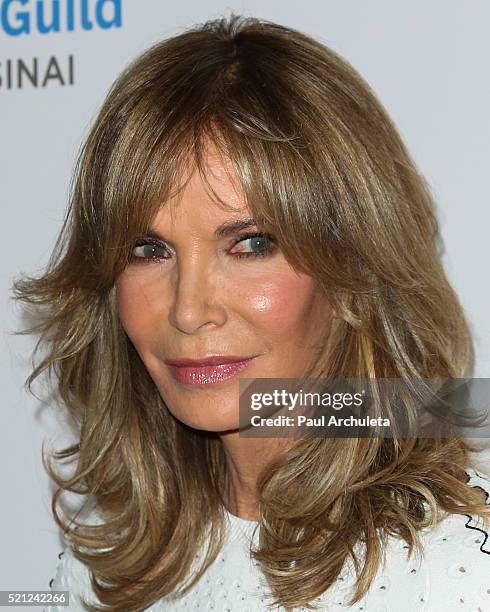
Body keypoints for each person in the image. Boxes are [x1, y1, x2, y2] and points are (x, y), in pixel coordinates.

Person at [12, 13, 490, 612]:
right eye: (148, 250)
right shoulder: (103, 567)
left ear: (355, 267)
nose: (189, 311)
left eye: (251, 244)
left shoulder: (458, 570)